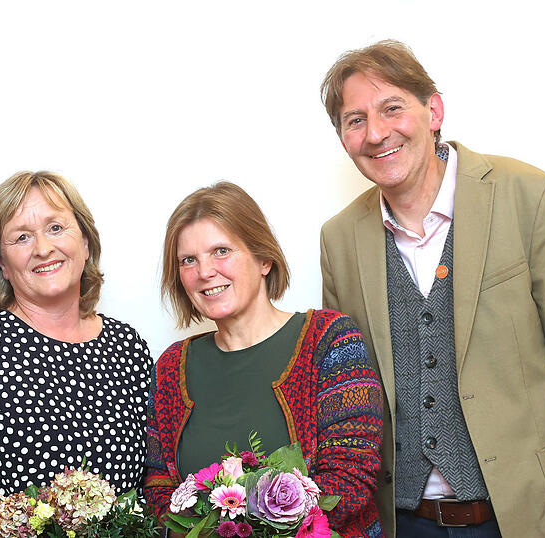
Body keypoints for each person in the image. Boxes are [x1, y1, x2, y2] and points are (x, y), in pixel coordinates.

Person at [319, 40, 545, 538]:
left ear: (433, 109)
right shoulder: (339, 239)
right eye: (355, 120)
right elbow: (353, 401)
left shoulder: (532, 196)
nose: (376, 133)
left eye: (392, 108)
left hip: (529, 518)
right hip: (403, 523)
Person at [0, 170, 152, 536]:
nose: (43, 248)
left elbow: (148, 482)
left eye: (56, 228)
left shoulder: (126, 346)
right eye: (22, 237)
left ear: (86, 242)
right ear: (2, 265)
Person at [143, 182, 384, 537]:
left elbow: (351, 474)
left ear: (264, 260)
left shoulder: (329, 339)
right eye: (188, 260)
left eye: (221, 251)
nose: (204, 272)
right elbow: (158, 484)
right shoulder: (171, 367)